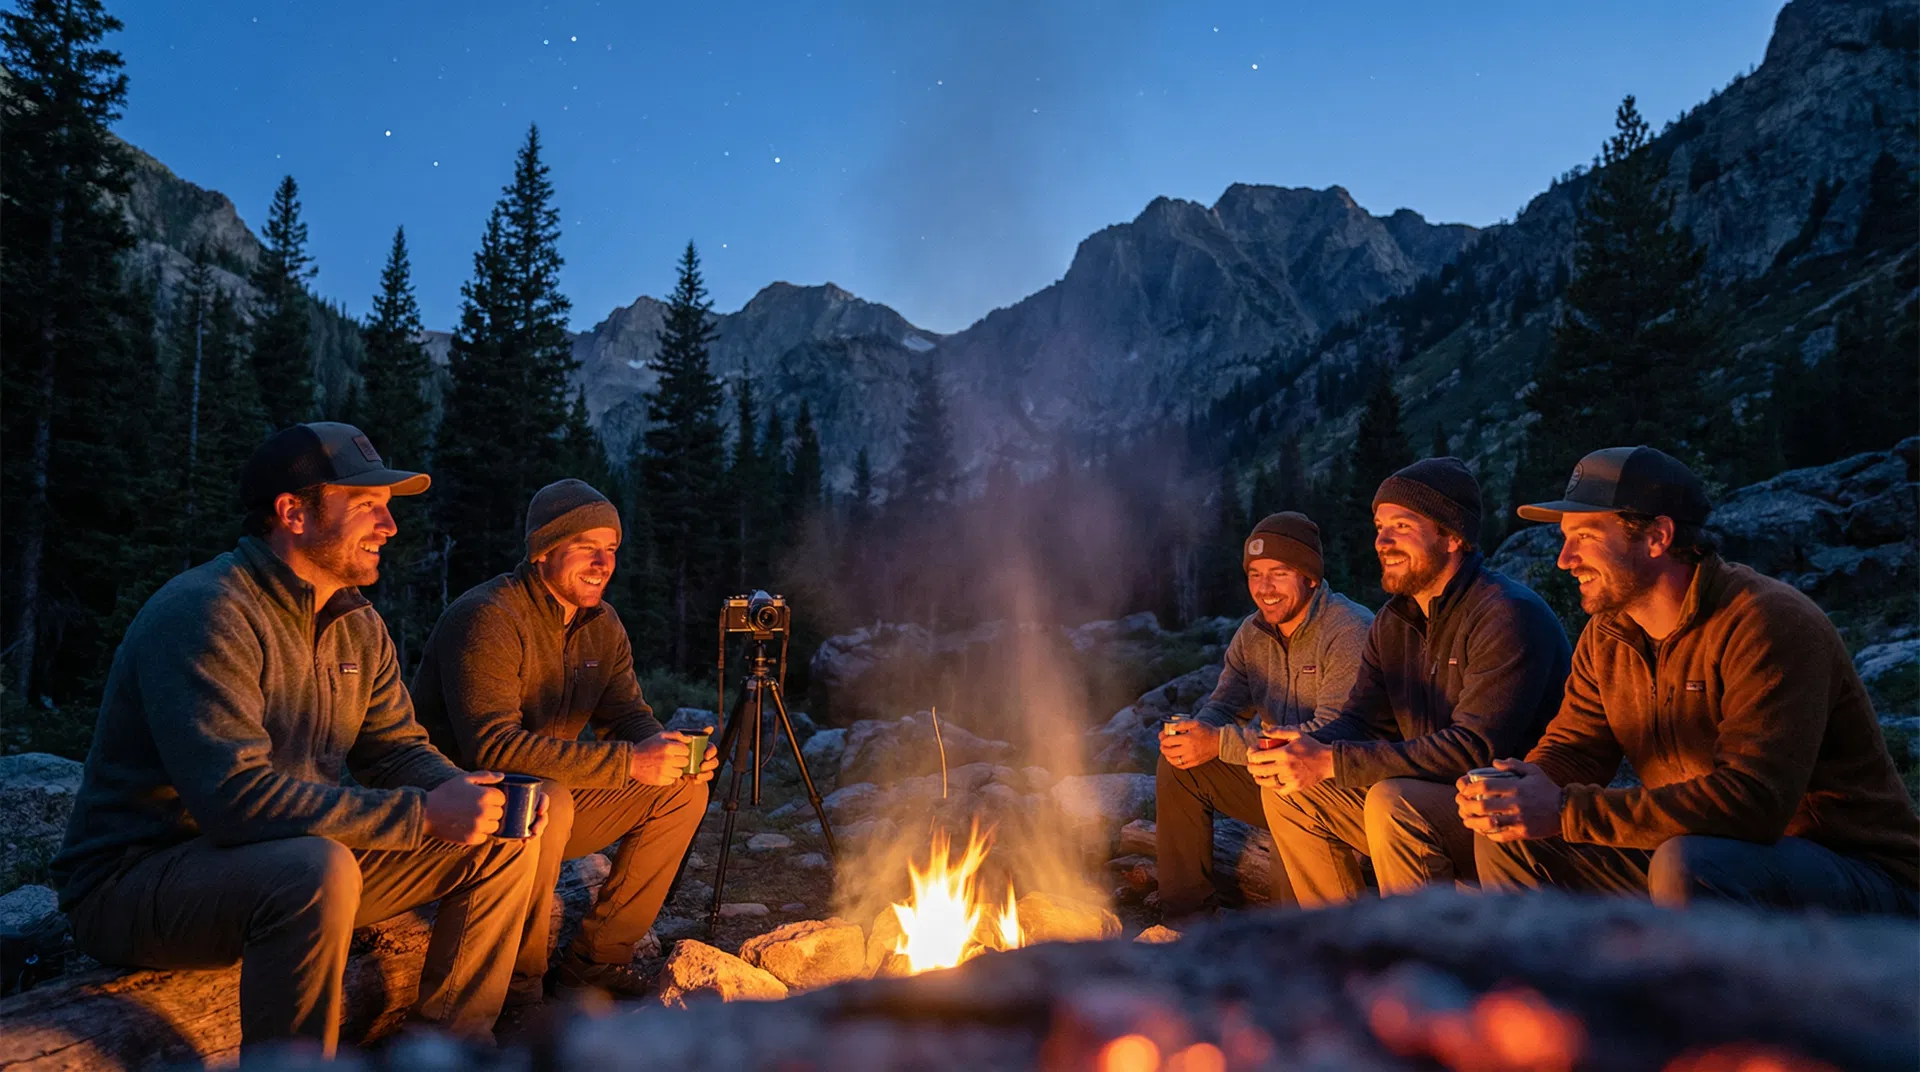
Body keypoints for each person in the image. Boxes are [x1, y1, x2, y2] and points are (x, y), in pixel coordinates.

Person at [52, 422, 542, 1055]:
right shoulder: (208, 611)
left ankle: (442, 1052)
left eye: (389, 509)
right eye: (368, 506)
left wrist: (462, 793)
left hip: (285, 857)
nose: (389, 527)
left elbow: (393, 747)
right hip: (140, 880)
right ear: (293, 513)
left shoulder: (355, 623)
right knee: (315, 868)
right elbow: (234, 802)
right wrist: (423, 815)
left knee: (501, 841)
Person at [1457, 446, 1919, 913]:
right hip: (1708, 852)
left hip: (1857, 869)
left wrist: (1561, 810)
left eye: (1586, 536)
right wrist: (1520, 789)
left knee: (1690, 862)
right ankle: (1554, 983)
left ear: (1657, 536)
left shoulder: (1766, 622)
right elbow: (1576, 748)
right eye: (1563, 538)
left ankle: (1700, 986)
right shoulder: (1611, 632)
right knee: (1509, 838)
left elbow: (1753, 803)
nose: (1565, 559)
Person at [412, 478, 718, 1003]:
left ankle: (595, 963)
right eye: (586, 548)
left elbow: (626, 714)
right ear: (542, 552)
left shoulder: (601, 623)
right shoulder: (489, 616)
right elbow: (493, 748)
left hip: (553, 805)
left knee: (683, 790)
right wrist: (630, 764)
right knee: (542, 797)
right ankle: (518, 988)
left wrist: (666, 750)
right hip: (459, 808)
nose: (603, 563)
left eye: (612, 549)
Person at [1251, 458, 1571, 906]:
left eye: (1402, 525)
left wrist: (1333, 761)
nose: (1383, 541)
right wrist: (1308, 746)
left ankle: (1416, 957)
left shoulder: (1506, 614)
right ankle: (1342, 948)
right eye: (1380, 526)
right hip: (1441, 800)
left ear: (1453, 535)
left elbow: (1473, 750)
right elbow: (1361, 719)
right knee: (1292, 794)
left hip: (1512, 818)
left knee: (1391, 800)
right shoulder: (1395, 622)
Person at [1156, 512, 1372, 920]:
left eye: (1279, 573)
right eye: (1255, 574)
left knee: (1285, 786)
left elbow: (1331, 734)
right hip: (1278, 770)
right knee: (1182, 766)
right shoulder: (1253, 633)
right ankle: (1186, 923)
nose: (1264, 588)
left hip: (1343, 785)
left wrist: (1219, 743)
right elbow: (1224, 705)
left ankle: (1296, 938)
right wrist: (1196, 734)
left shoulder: (1349, 630)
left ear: (1309, 576)